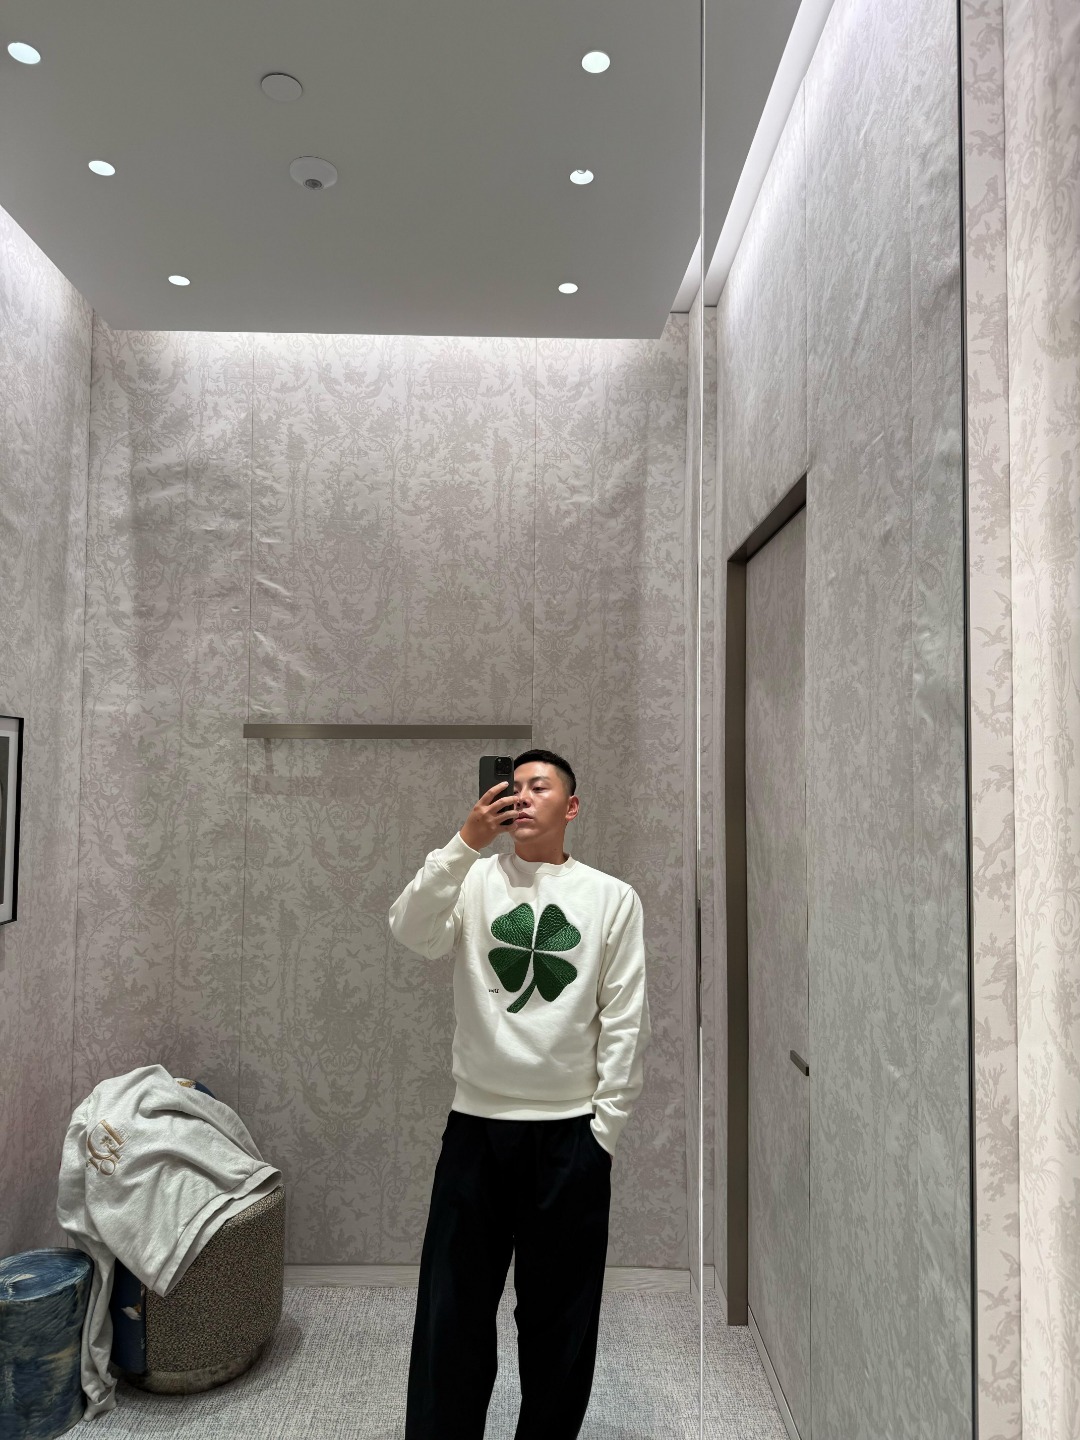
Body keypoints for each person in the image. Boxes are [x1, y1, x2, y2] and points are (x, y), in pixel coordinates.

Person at [389, 748, 651, 1439]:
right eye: (515, 786)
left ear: (572, 807)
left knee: (560, 1321)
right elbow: (410, 930)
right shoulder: (472, 879)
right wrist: (464, 842)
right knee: (452, 1315)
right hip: (476, 1126)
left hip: (571, 1134)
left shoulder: (611, 898)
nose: (524, 796)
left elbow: (626, 1021)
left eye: (541, 786)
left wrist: (604, 1131)